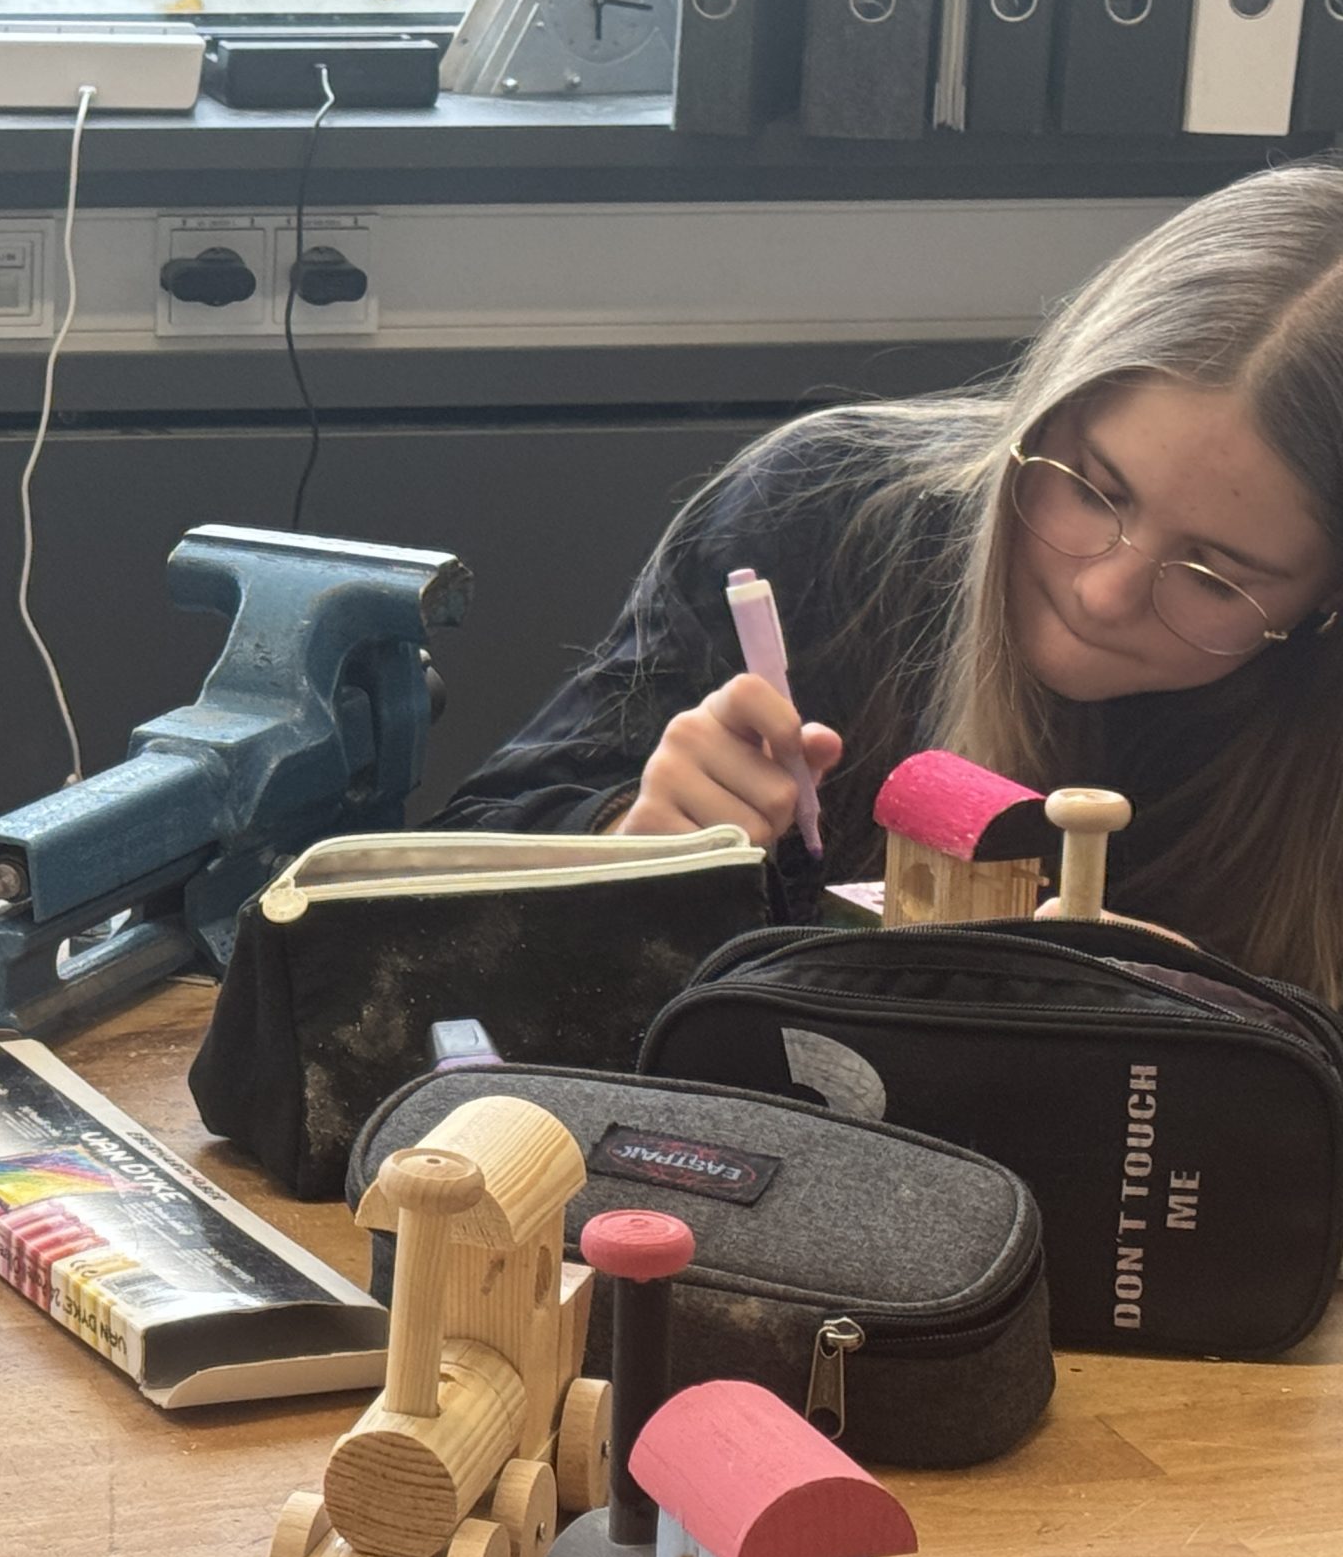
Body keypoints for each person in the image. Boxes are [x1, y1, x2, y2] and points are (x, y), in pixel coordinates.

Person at [436, 158, 1343, 1002]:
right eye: (1092, 490)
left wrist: (1239, 1039)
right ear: (1046, 410)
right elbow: (450, 879)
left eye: (1215, 579)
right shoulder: (821, 514)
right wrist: (626, 850)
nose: (1103, 596)